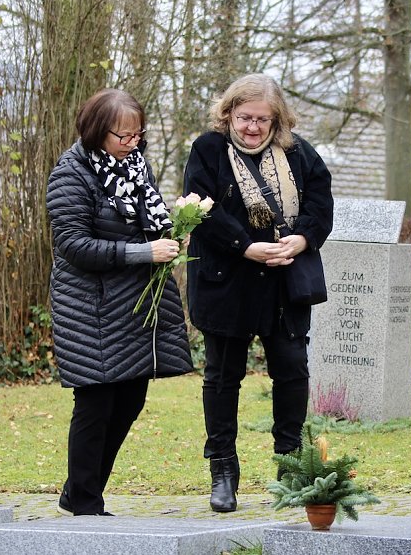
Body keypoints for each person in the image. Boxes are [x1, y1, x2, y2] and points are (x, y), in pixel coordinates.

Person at [183, 73, 333, 512]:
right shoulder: (207, 150)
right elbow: (199, 210)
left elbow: (321, 206)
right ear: (228, 112)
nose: (252, 127)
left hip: (285, 284)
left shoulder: (300, 153)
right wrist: (245, 246)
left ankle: (289, 468)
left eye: (262, 120)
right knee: (223, 377)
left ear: (277, 120)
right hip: (227, 283)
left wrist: (302, 239)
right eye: (244, 117)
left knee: (291, 373)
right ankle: (223, 472)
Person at [46, 88, 193, 516]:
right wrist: (143, 253)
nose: (132, 144)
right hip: (89, 307)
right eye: (122, 136)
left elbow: (145, 221)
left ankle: (77, 492)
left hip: (133, 306)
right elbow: (74, 245)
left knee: (129, 402)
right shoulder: (71, 174)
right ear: (96, 131)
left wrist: (171, 235)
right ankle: (87, 504)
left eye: (137, 135)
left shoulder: (135, 168)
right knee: (96, 403)